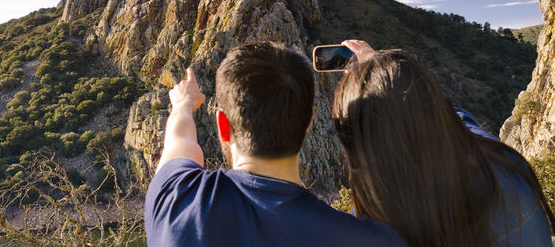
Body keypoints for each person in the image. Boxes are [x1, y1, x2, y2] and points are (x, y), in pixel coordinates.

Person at [144, 41, 406, 247]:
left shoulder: (174, 203)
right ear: (308, 121)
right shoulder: (368, 239)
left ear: (223, 125)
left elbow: (181, 140)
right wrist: (374, 73)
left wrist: (183, 103)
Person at [333, 39, 555, 247]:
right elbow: (457, 123)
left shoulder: (369, 224)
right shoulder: (504, 168)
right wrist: (386, 76)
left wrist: (373, 79)